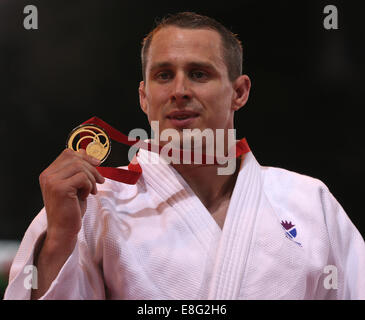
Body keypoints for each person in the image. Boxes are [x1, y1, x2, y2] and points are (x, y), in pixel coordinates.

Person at [4, 12, 365, 300]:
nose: (179, 90)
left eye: (198, 73)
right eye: (164, 75)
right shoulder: (93, 201)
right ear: (145, 97)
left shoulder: (309, 200)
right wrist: (60, 239)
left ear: (239, 92)